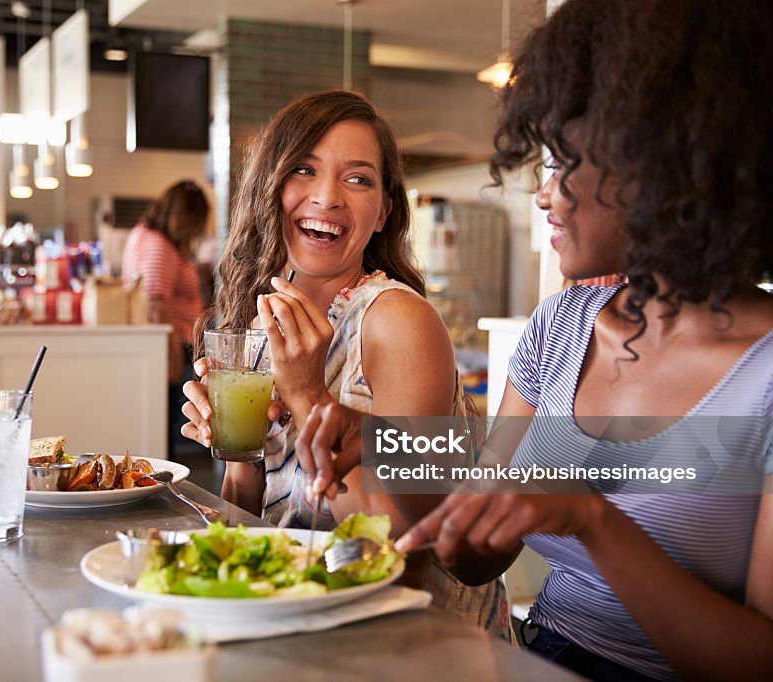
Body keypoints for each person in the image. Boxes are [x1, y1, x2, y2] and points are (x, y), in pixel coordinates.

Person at [296, 1, 773, 680]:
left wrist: (590, 519)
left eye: (561, 164)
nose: (543, 197)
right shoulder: (562, 325)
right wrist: (383, 442)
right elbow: (474, 550)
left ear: (661, 162)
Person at [180, 90, 511, 636]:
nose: (327, 197)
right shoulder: (260, 322)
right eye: (304, 170)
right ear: (271, 188)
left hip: (414, 638)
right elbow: (254, 519)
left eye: (358, 179)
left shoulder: (399, 322)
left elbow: (401, 547)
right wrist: (237, 449)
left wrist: (311, 397)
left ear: (383, 213)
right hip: (300, 620)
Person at [121, 180, 209, 451]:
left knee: (167, 425)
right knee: (167, 427)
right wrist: (170, 359)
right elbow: (158, 304)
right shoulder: (158, 244)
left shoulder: (150, 237)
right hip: (173, 347)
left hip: (174, 345)